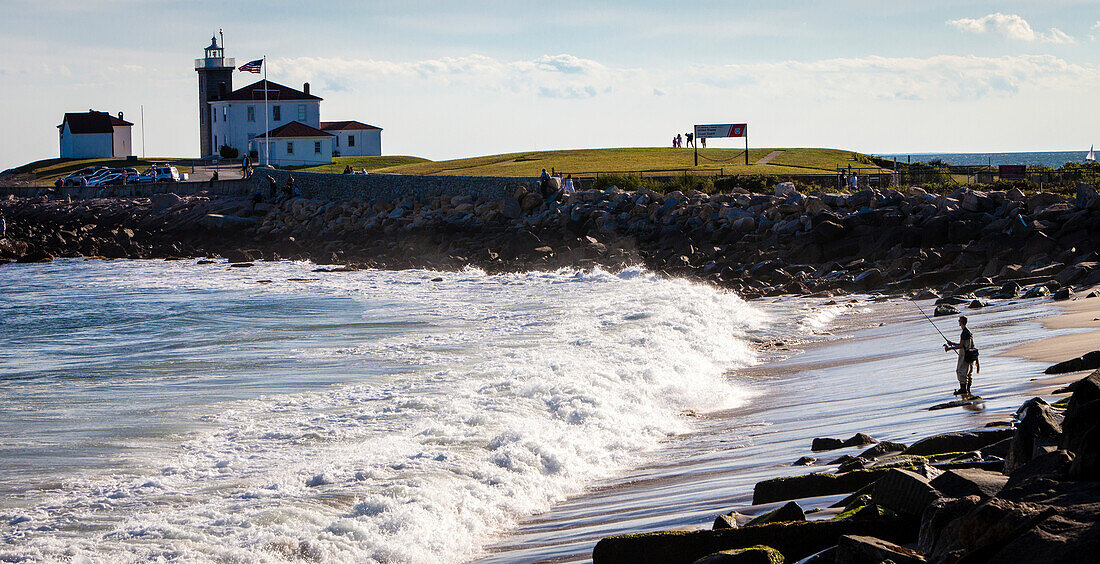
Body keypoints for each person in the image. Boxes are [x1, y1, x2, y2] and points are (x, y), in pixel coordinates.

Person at [944, 315, 979, 398]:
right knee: (968, 372)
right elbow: (962, 344)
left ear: (961, 322)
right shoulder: (968, 332)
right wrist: (952, 343)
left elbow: (961, 346)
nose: (958, 322)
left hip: (965, 355)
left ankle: (963, 389)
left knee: (960, 371)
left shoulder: (964, 333)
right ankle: (968, 389)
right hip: (970, 354)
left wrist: (949, 348)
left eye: (959, 320)